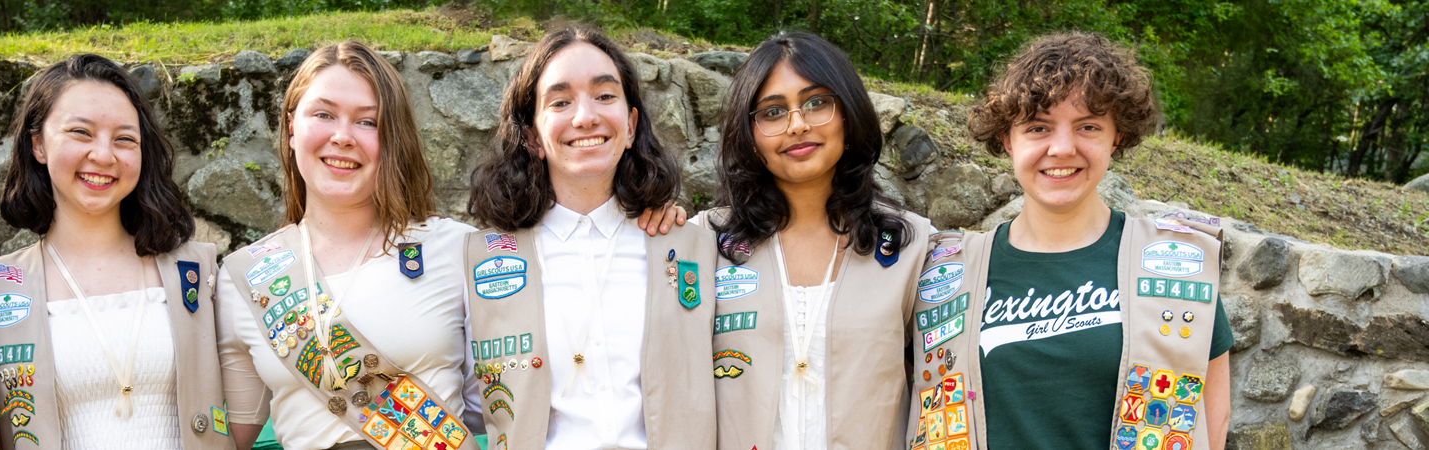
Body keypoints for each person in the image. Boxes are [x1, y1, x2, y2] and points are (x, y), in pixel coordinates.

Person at [902, 32, 1232, 450]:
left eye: (1088, 126)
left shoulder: (1177, 264)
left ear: (1117, 137)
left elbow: (1212, 416)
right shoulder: (943, 271)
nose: (1061, 148)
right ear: (1007, 139)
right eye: (1038, 127)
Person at [213, 40, 481, 450]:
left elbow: (503, 404)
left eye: (368, 122)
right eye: (323, 114)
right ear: (291, 128)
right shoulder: (243, 277)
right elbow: (231, 433)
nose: (342, 136)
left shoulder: (458, 249)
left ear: (394, 138)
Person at [461, 25, 716, 450]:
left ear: (631, 125)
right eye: (560, 102)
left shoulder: (693, 247)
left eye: (605, 96)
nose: (585, 117)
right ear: (531, 136)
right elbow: (469, 406)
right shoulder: (475, 261)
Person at [0, 54, 237, 450]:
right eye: (81, 132)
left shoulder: (199, 270)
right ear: (38, 144)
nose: (104, 155)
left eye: (125, 138)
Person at [696, 32, 932, 450]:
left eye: (817, 102)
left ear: (848, 112)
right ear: (748, 132)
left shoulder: (911, 246)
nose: (798, 123)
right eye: (772, 111)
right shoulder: (702, 243)